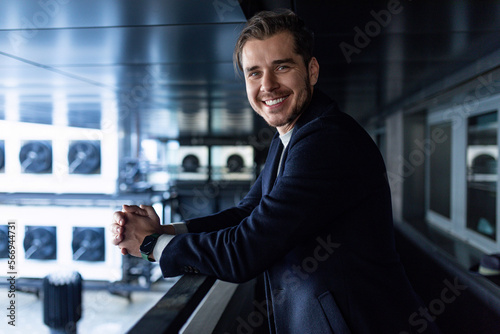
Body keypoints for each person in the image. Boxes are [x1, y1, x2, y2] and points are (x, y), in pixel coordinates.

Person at [111, 9, 440, 334]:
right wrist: (168, 230)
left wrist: (151, 245)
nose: (267, 85)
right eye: (254, 72)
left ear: (311, 71)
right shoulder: (289, 139)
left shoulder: (326, 142)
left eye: (281, 67)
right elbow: (247, 213)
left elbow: (246, 251)